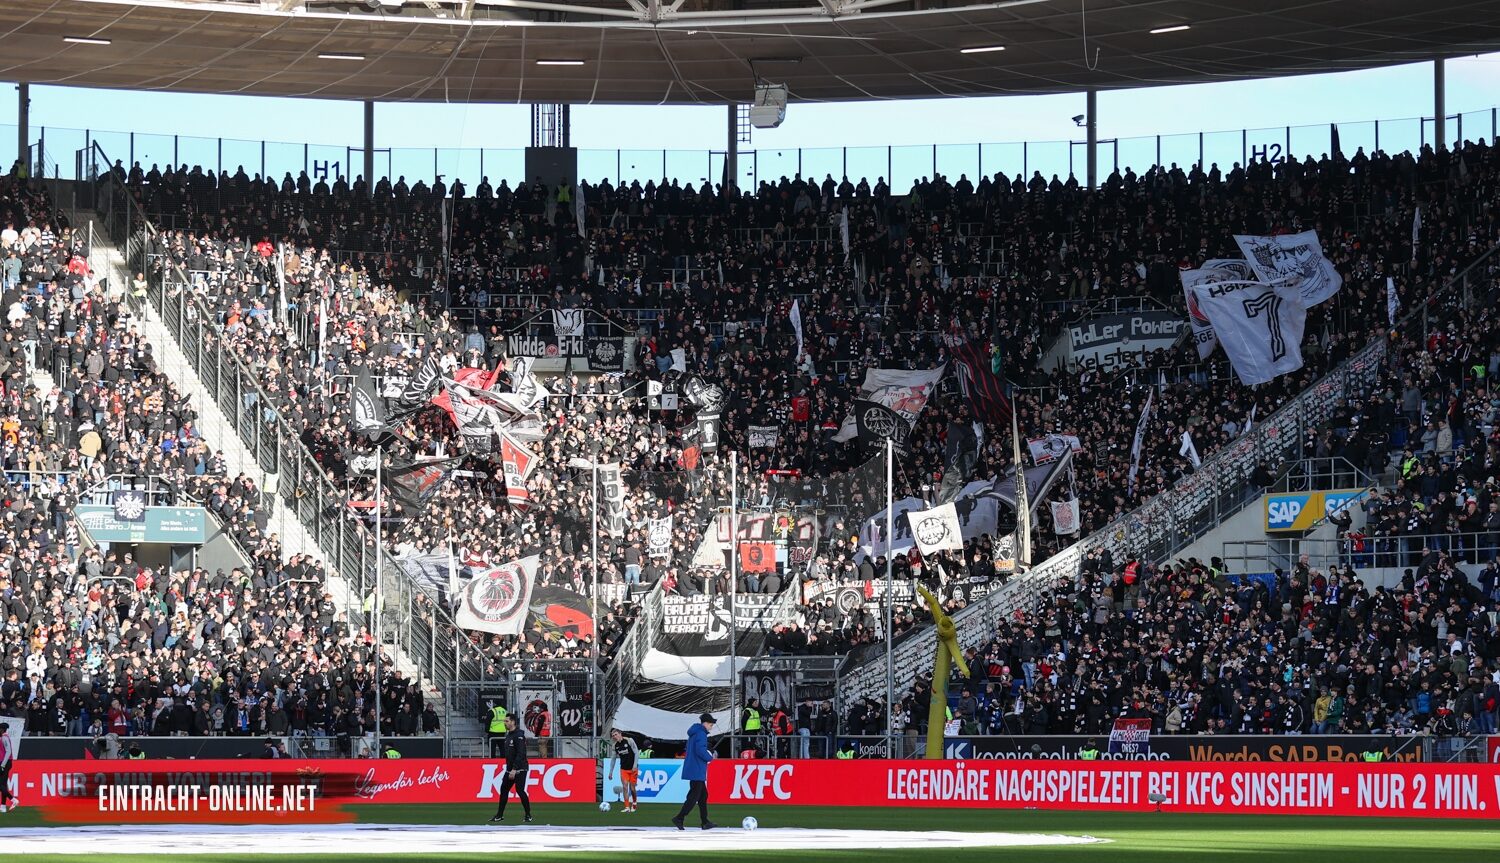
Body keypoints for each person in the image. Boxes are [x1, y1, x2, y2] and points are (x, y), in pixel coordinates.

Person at [671, 713, 717, 831]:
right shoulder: (701, 733)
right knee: (694, 796)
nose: (711, 727)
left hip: (693, 767)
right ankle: (679, 818)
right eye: (711, 725)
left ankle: (705, 821)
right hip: (697, 768)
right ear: (705, 723)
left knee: (702, 795)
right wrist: (710, 757)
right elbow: (700, 750)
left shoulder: (694, 732)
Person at [488, 715, 532, 824]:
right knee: (504, 789)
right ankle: (499, 815)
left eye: (506, 721)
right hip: (510, 769)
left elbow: (521, 753)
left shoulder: (519, 736)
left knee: (520, 790)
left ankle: (528, 815)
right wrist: (509, 768)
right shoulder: (509, 736)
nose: (505, 723)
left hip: (520, 768)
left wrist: (514, 769)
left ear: (513, 722)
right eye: (505, 721)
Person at [609, 728, 641, 813]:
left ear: (620, 734)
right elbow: (613, 759)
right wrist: (611, 772)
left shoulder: (629, 741)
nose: (614, 737)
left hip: (633, 768)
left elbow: (636, 753)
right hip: (623, 769)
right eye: (613, 736)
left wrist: (635, 766)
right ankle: (627, 807)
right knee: (625, 786)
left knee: (632, 788)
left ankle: (634, 802)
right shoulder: (615, 746)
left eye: (616, 734)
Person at [0, 722, 14, 808]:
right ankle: (3, 806)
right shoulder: (3, 737)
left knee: (1, 785)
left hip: (5, 763)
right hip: (5, 762)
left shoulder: (4, 738)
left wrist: (2, 765)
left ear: (2, 729)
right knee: (3, 785)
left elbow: (8, 752)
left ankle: (13, 799)